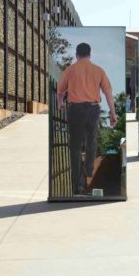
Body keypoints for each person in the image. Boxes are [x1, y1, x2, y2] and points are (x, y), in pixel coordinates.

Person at [57, 43, 116, 196]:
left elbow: (60, 91)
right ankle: (89, 169)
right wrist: (113, 113)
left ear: (77, 54)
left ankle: (78, 183)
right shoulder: (98, 70)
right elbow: (108, 93)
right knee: (92, 139)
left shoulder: (70, 70)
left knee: (75, 146)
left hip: (75, 109)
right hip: (93, 108)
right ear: (90, 55)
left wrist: (61, 103)